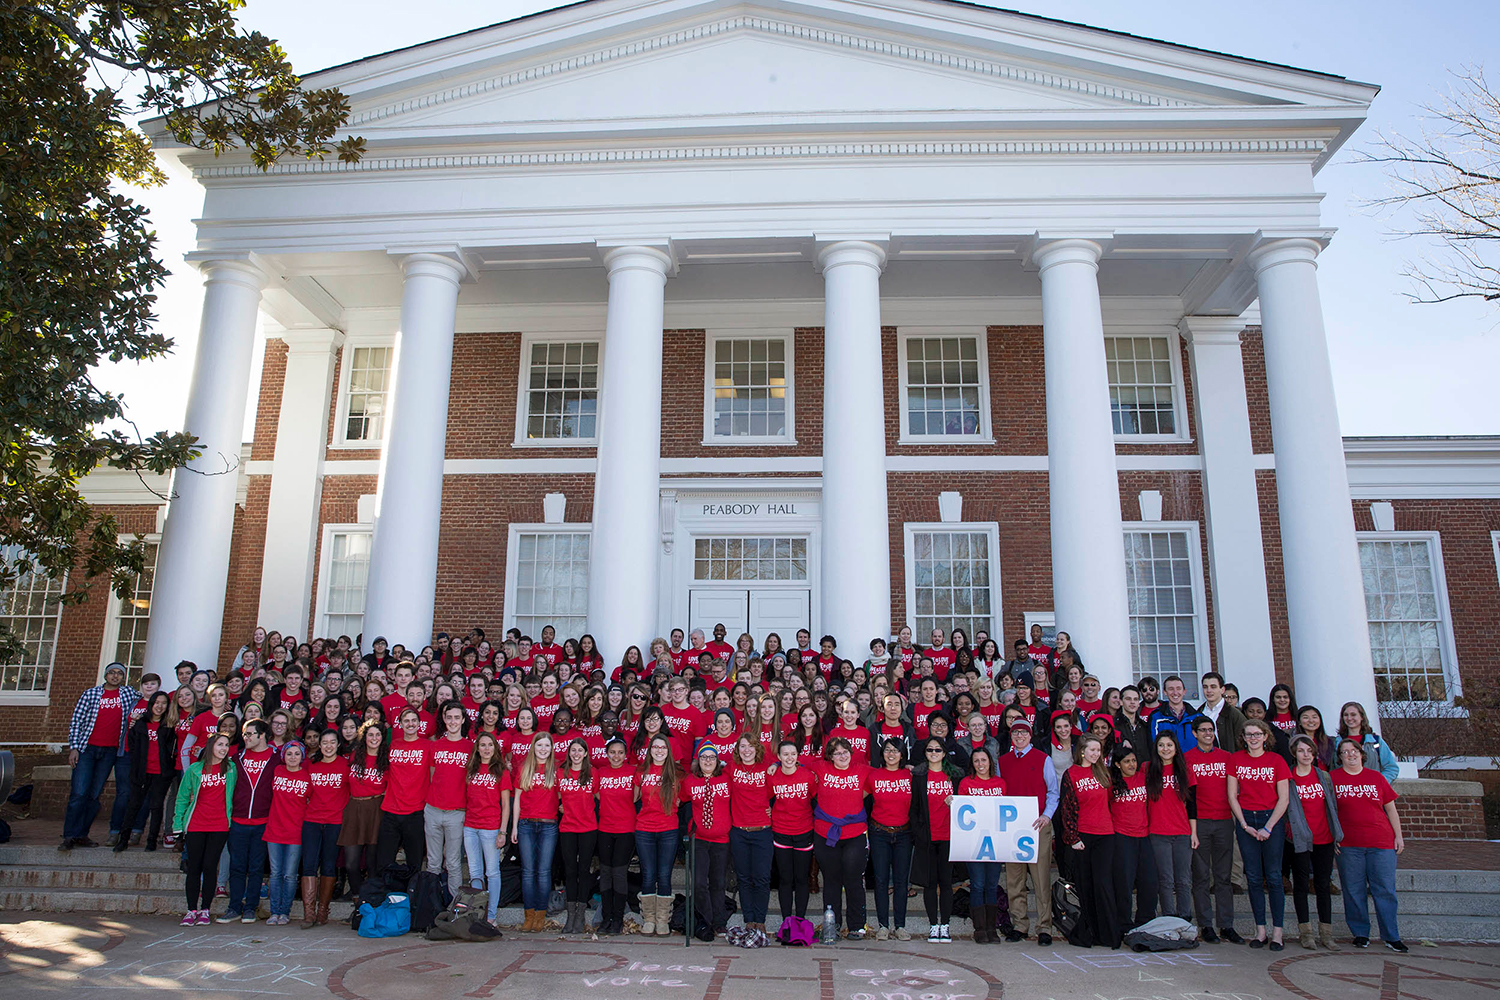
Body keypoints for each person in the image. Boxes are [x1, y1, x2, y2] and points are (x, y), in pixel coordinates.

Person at [1332, 737, 1407, 951]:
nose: (1350, 754)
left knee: (1384, 889)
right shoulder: (1332, 779)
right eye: (1345, 752)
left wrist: (1398, 836)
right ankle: (1360, 933)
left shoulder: (1376, 778)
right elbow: (1329, 811)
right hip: (1349, 844)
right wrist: (1333, 838)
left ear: (1361, 754)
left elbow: (1390, 809)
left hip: (1381, 843)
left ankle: (1391, 936)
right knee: (1353, 890)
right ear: (1340, 757)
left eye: (1353, 750)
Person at [62, 662, 140, 851]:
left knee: (94, 795)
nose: (115, 676)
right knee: (79, 793)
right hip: (86, 749)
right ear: (105, 675)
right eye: (111, 673)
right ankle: (69, 836)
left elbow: (148, 698)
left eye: (119, 673)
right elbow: (77, 721)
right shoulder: (91, 694)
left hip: (110, 752)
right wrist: (74, 748)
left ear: (123, 677)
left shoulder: (128, 694)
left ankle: (82, 834)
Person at [1228, 719, 1291, 949]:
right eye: (1248, 735)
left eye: (1257, 734)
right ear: (1243, 737)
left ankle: (1277, 933)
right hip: (1247, 821)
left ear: (1265, 736)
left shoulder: (1277, 761)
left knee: (1273, 877)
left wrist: (1269, 827)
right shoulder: (1235, 760)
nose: (1253, 738)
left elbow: (1283, 797)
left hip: (1270, 820)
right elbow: (1232, 795)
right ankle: (1260, 930)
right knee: (1253, 877)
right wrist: (1244, 825)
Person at [997, 718, 1058, 945]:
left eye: (1024, 733)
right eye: (1015, 733)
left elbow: (1053, 791)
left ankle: (1045, 927)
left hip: (1037, 825)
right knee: (1015, 878)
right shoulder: (1003, 761)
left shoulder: (1043, 759)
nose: (1019, 736)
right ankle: (1020, 924)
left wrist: (1046, 815)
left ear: (1030, 735)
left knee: (1041, 877)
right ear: (1011, 736)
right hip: (1013, 827)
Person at [1185, 715, 1241, 943]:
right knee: (1200, 877)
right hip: (1200, 822)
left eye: (1211, 730)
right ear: (1195, 733)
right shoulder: (1187, 758)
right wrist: (1192, 828)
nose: (1208, 734)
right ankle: (1206, 925)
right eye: (1203, 730)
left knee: (1223, 876)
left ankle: (1226, 925)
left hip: (1224, 821)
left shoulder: (1227, 758)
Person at [1285, 734, 1342, 951]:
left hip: (1324, 838)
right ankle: (1305, 932)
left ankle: (1326, 933)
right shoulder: (1289, 778)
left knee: (1322, 885)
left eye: (1309, 751)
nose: (1306, 755)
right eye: (1301, 751)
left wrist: (1337, 834)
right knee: (1300, 885)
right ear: (1294, 753)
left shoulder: (1323, 777)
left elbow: (1332, 807)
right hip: (1299, 839)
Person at [174, 732, 236, 925]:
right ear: (210, 747)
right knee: (194, 867)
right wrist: (177, 824)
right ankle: (191, 909)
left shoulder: (231, 769)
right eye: (220, 744)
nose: (224, 748)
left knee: (210, 866)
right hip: (196, 824)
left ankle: (205, 910)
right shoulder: (195, 769)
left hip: (219, 826)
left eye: (226, 745)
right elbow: (182, 798)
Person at [219, 718, 277, 923]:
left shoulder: (276, 757)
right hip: (238, 821)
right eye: (244, 734)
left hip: (263, 822)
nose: (245, 737)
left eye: (250, 734)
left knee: (256, 868)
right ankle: (234, 907)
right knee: (236, 866)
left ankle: (251, 907)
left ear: (262, 735)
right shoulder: (236, 758)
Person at [813, 736, 870, 939]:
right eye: (837, 752)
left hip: (854, 833)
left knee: (854, 880)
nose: (842, 755)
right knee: (831, 880)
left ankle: (856, 925)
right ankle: (832, 925)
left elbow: (878, 782)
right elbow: (793, 765)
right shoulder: (820, 768)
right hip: (825, 834)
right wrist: (775, 766)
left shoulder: (862, 770)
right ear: (830, 756)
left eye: (845, 751)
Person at [912, 736, 962, 942]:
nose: (934, 753)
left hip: (950, 837)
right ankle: (933, 925)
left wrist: (956, 801)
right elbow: (914, 808)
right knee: (929, 884)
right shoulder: (918, 775)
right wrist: (919, 834)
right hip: (928, 837)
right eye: (930, 750)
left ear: (944, 753)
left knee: (947, 883)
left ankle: (946, 925)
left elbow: (967, 804)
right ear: (925, 753)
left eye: (938, 750)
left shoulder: (955, 775)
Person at [681, 742, 732, 939]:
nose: (708, 761)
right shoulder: (690, 782)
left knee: (718, 883)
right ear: (698, 761)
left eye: (711, 757)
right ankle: (706, 920)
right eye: (704, 757)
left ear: (718, 761)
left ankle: (719, 923)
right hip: (699, 840)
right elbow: (679, 799)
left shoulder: (727, 779)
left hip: (721, 839)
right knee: (700, 883)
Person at [958, 746, 1010, 943]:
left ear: (990, 762)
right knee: (978, 885)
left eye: (983, 760)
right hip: (974, 842)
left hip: (995, 841)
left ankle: (992, 927)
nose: (980, 764)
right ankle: (979, 929)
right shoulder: (965, 783)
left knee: (991, 885)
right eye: (977, 761)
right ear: (972, 764)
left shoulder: (1000, 783)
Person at [511, 732, 561, 932]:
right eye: (539, 745)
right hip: (526, 824)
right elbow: (517, 799)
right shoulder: (524, 767)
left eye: (546, 746)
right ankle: (528, 915)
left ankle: (541, 914)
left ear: (551, 748)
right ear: (534, 746)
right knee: (528, 872)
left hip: (549, 825)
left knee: (543, 872)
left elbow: (563, 794)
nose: (543, 749)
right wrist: (514, 826)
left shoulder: (556, 768)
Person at [300, 729, 350, 928]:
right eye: (324, 742)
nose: (328, 746)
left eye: (332, 742)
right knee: (309, 865)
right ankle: (309, 912)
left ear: (338, 744)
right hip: (311, 821)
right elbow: (305, 792)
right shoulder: (311, 765)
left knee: (329, 866)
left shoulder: (346, 765)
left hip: (335, 822)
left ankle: (323, 911)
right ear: (319, 745)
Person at [115, 690, 176, 854]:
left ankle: (151, 841)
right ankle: (123, 840)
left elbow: (171, 749)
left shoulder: (168, 726)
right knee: (133, 805)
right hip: (141, 773)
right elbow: (132, 746)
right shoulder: (140, 724)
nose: (160, 706)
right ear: (151, 704)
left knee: (156, 806)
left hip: (161, 774)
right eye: (157, 702)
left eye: (163, 703)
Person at [727, 733, 773, 942]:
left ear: (757, 749)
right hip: (739, 831)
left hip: (762, 831)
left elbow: (780, 791)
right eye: (742, 746)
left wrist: (774, 810)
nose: (746, 750)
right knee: (744, 878)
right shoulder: (731, 768)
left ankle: (760, 920)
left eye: (751, 746)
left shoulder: (767, 768)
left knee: (762, 878)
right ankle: (749, 920)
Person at [425, 702, 473, 898]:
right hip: (433, 809)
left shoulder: (470, 747)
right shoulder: (435, 745)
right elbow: (432, 775)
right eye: (449, 717)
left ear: (462, 720)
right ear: (444, 720)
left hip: (457, 811)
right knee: (433, 862)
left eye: (456, 718)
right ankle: (431, 904)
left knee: (453, 862)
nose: (453, 721)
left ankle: (453, 906)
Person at [374, 708, 430, 876]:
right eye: (407, 721)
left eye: (414, 721)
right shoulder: (393, 745)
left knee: (414, 862)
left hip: (415, 812)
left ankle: (412, 899)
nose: (410, 724)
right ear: (400, 724)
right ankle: (385, 897)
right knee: (384, 861)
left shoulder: (428, 746)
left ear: (419, 724)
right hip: (391, 810)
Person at [634, 734, 680, 937]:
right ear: (650, 750)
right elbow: (634, 798)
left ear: (668, 751)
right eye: (655, 747)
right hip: (644, 829)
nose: (659, 750)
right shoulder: (641, 772)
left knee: (663, 874)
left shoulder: (677, 774)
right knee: (648, 874)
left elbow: (682, 799)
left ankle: (663, 920)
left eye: (663, 747)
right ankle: (649, 919)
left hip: (668, 829)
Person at [1145, 731, 1194, 922]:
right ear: (1156, 748)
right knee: (1165, 879)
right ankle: (1169, 917)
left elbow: (1193, 805)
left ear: (1176, 748)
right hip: (1158, 832)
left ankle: (1185, 917)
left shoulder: (1185, 770)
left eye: (1169, 745)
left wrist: (1194, 832)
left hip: (1182, 832)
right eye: (1161, 745)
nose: (1165, 749)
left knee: (1183, 880)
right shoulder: (1147, 769)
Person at [868, 737, 913, 941]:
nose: (891, 754)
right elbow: (856, 797)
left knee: (902, 881)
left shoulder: (910, 775)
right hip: (879, 833)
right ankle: (883, 925)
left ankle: (900, 925)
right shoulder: (874, 775)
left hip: (903, 833)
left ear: (902, 754)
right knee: (881, 880)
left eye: (896, 750)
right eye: (887, 750)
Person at [770, 738, 817, 928]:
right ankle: (786, 921)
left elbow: (815, 798)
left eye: (793, 754)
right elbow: (766, 798)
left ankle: (800, 920)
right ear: (779, 757)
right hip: (780, 832)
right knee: (785, 879)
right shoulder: (772, 776)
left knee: (801, 879)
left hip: (804, 832)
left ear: (798, 756)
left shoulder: (807, 776)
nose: (789, 758)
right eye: (785, 754)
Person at [1109, 745, 1156, 932]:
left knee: (1149, 882)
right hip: (1121, 837)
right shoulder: (1111, 782)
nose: (1132, 765)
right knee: (1124, 883)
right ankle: (1124, 923)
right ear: (1118, 764)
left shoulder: (1144, 779)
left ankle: (1145, 921)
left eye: (1134, 761)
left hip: (1144, 836)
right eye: (1127, 762)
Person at [263, 740, 310, 925]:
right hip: (274, 830)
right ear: (283, 756)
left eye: (297, 754)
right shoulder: (277, 772)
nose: (292, 757)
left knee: (290, 875)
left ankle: (285, 911)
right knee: (275, 873)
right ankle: (274, 911)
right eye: (289, 754)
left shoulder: (307, 777)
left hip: (295, 832)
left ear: (302, 757)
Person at [594, 736, 636, 935]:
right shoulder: (600, 773)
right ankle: (605, 918)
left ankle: (617, 919)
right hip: (604, 829)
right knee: (606, 873)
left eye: (620, 752)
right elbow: (596, 794)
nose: (616, 756)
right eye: (612, 752)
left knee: (619, 874)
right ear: (606, 754)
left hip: (626, 829)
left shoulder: (633, 771)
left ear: (625, 754)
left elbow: (637, 795)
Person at [558, 738, 599, 934]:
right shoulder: (561, 773)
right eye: (573, 750)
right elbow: (555, 798)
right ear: (569, 753)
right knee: (570, 872)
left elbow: (601, 798)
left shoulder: (593, 774)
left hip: (588, 828)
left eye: (579, 750)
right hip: (567, 828)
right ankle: (570, 915)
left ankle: (581, 915)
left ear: (585, 753)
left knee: (584, 871)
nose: (576, 753)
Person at [1338, 703, 1400, 781]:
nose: (1349, 718)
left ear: (1361, 717)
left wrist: (1378, 783)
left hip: (1371, 790)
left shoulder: (1376, 741)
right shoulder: (1336, 742)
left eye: (1353, 715)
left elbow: (1391, 768)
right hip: (1345, 789)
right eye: (1346, 715)